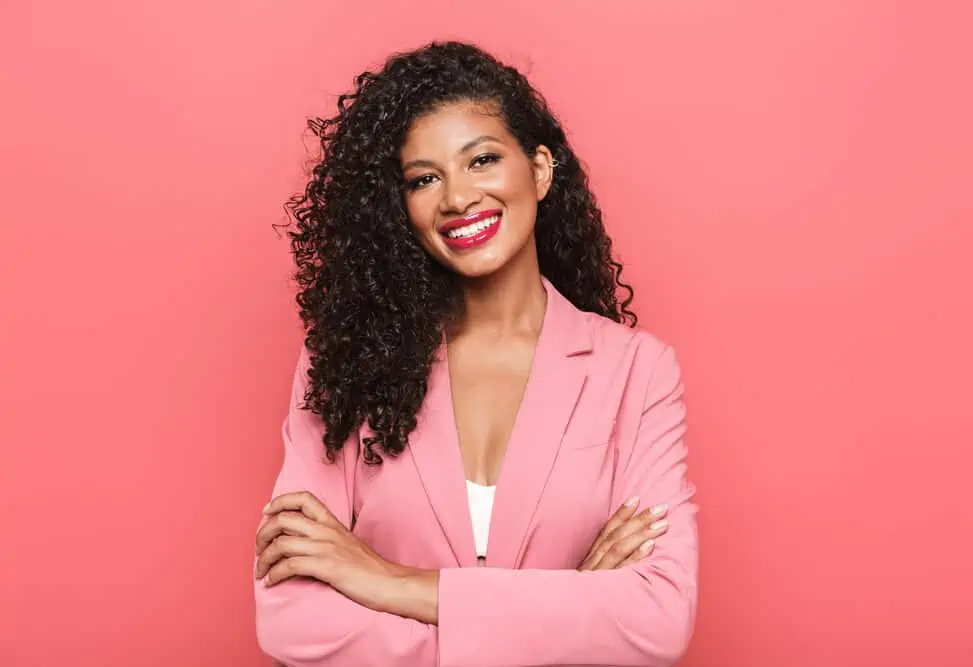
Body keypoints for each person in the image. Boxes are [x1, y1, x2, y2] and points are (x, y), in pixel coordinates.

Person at [252, 40, 698, 667]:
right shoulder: (345, 363)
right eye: (424, 178)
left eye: (482, 159)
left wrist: (385, 580)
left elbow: (657, 620)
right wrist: (571, 604)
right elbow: (292, 619)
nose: (456, 198)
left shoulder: (636, 372)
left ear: (540, 170)